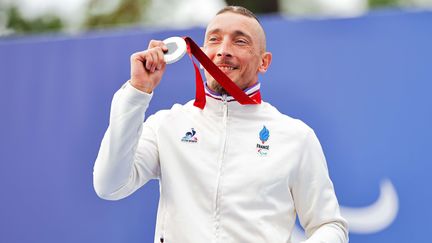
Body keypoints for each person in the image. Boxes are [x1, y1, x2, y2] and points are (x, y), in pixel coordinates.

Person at [93, 6, 348, 243]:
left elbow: (329, 225)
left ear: (264, 61)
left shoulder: (295, 136)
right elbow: (110, 185)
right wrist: (137, 92)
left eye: (239, 41)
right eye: (214, 39)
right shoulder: (167, 124)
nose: (223, 49)